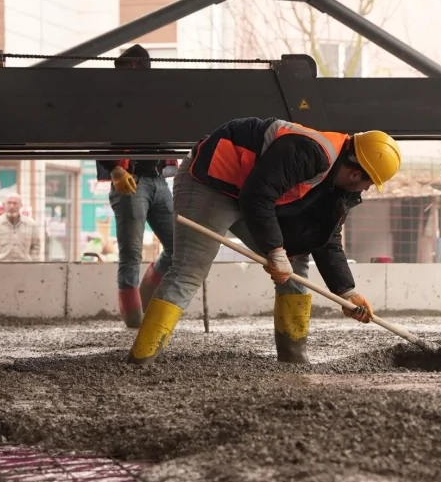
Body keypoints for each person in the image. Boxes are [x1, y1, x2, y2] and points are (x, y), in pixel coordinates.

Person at [126, 117, 402, 366]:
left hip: (251, 194)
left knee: (295, 262)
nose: (365, 190)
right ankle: (141, 359)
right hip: (210, 183)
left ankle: (293, 359)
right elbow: (257, 196)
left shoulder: (333, 183)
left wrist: (346, 291)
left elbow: (325, 237)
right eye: (369, 183)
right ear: (356, 173)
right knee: (189, 271)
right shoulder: (310, 152)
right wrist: (275, 250)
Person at [96, 45, 176, 329]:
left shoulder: (154, 100)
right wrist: (115, 168)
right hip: (132, 180)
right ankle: (133, 319)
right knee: (131, 253)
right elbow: (97, 135)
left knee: (178, 247)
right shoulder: (113, 101)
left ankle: (142, 300)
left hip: (157, 179)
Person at [0, 193, 41, 262]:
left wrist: (31, 260)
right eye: (9, 203)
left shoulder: (31, 225)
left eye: (15, 203)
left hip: (24, 267)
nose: (11, 206)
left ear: (21, 205)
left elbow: (36, 245)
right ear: (4, 205)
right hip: (0, 268)